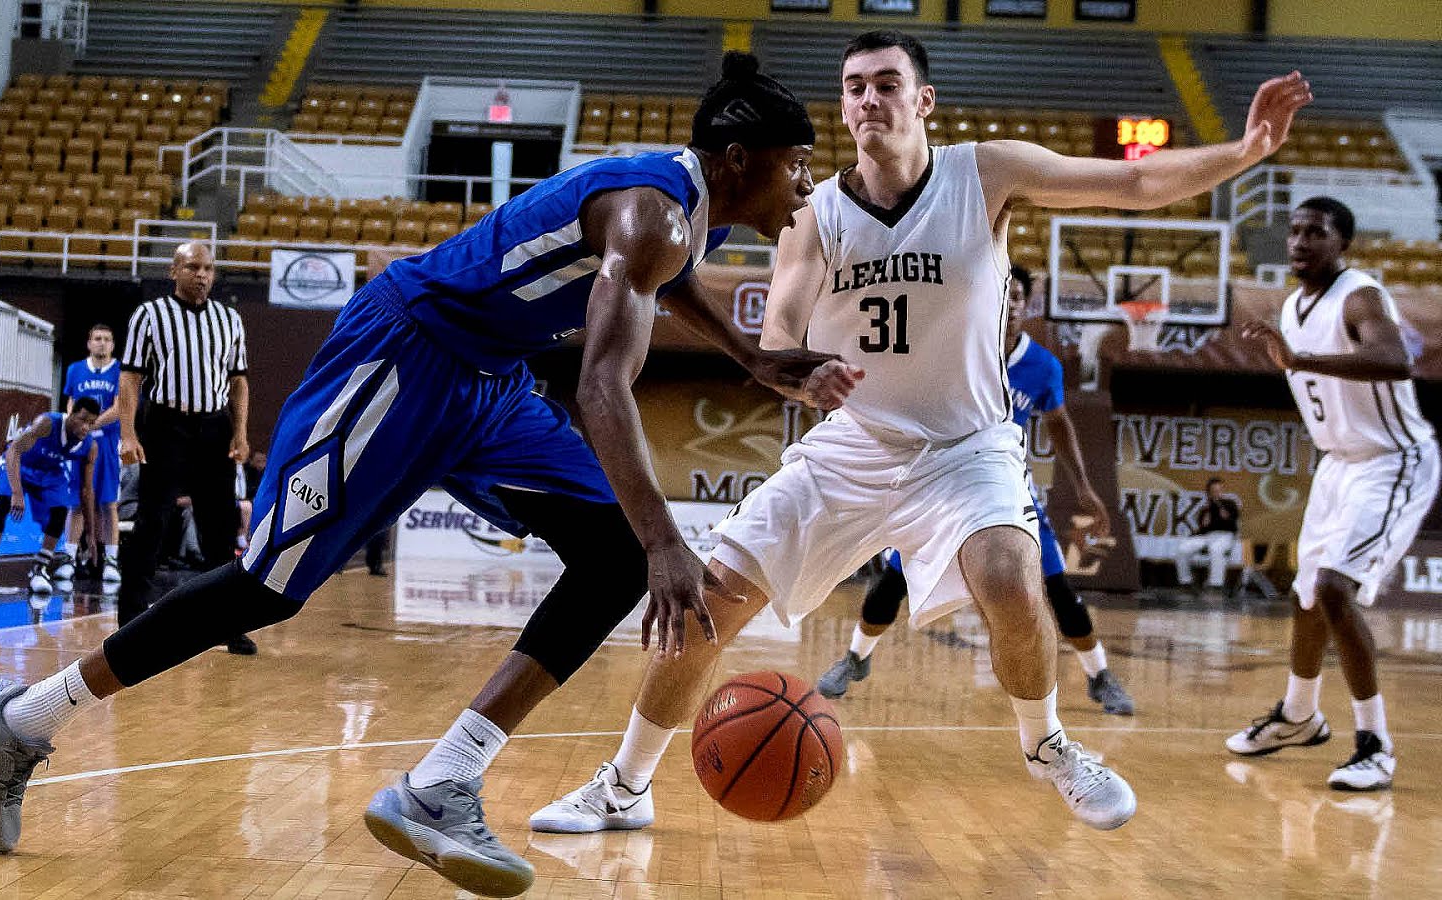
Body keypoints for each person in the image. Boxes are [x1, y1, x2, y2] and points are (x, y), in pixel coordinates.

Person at [0, 53, 851, 898]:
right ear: (740, 158)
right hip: (405, 355)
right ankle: (27, 717)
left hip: (489, 383)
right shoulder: (651, 212)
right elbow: (603, 383)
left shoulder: (686, 211)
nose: (807, 185)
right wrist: (666, 536)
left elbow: (670, 275)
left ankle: (442, 781)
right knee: (265, 592)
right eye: (799, 165)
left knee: (610, 560)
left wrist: (750, 357)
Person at [532, 29, 1309, 836]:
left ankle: (1047, 745)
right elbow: (780, 333)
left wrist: (1248, 149)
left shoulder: (987, 172)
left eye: (887, 83)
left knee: (1010, 575)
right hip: (852, 450)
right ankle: (623, 786)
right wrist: (805, 372)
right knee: (709, 603)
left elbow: (1138, 179)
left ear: (923, 100)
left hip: (965, 449)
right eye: (855, 87)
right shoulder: (814, 211)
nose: (870, 99)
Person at [814, 264, 1134, 716]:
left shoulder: (1042, 366)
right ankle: (855, 658)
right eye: (1006, 293)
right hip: (943, 482)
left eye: (1020, 296)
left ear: (1025, 305)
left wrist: (1083, 488)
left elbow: (1058, 423)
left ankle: (1100, 675)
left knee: (1057, 590)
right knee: (891, 583)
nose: (1013, 303)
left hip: (1006, 488)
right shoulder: (955, 350)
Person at [1229, 196, 1438, 791]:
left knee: (1335, 590)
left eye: (1314, 232)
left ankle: (1375, 744)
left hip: (1392, 460)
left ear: (1341, 242)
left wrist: (1301, 359)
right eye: (1293, 231)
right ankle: (1298, 715)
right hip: (1339, 466)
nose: (1299, 241)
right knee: (1306, 593)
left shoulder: (1359, 294)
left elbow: (1395, 360)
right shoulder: (1292, 306)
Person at [113, 243, 256, 654]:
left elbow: (239, 382)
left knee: (221, 528)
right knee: (151, 524)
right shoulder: (149, 315)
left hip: (214, 427)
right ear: (174, 270)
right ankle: (130, 621)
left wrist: (240, 433)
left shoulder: (229, 319)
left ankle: (227, 624)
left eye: (208, 268)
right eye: (193, 267)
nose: (202, 275)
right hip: (166, 425)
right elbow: (130, 379)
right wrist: (128, 434)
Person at [0, 402, 99, 594]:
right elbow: (14, 450)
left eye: (92, 423)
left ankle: (40, 568)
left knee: (61, 510)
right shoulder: (47, 423)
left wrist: (90, 532)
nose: (86, 427)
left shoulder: (89, 446)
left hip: (49, 471)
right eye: (83, 420)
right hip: (19, 464)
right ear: (71, 414)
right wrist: (17, 492)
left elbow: (87, 490)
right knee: (3, 504)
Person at [57, 324, 124, 586]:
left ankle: (111, 561)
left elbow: (120, 408)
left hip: (107, 443)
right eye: (97, 338)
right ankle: (69, 558)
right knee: (76, 503)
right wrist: (77, 426)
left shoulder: (119, 370)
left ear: (113, 345)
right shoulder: (75, 370)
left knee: (108, 504)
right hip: (81, 445)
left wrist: (88, 423)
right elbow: (71, 405)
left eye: (107, 339)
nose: (102, 343)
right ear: (89, 343)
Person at [1172, 477, 1241, 589]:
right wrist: (1205, 519)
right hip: (1208, 536)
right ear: (1209, 492)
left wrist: (1227, 516)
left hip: (1225, 535)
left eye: (1219, 490)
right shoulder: (1206, 508)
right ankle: (1185, 581)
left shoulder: (1230, 504)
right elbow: (1202, 528)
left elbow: (1234, 522)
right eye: (1214, 491)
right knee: (1182, 549)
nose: (1217, 493)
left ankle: (1216, 584)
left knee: (1216, 549)